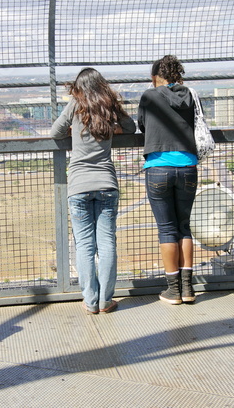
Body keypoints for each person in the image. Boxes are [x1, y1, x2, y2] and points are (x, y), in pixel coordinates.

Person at [50, 67, 136, 314]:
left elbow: (55, 133)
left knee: (85, 245)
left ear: (78, 87)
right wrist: (113, 127)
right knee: (107, 243)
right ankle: (106, 301)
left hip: (78, 185)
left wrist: (73, 131)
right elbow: (130, 128)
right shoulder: (108, 107)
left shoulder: (76, 105)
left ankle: (90, 301)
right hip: (107, 184)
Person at [138, 55, 198, 305]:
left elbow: (142, 125)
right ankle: (188, 289)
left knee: (166, 229)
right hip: (187, 166)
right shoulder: (190, 94)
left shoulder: (149, 96)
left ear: (155, 77)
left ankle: (173, 290)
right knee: (185, 227)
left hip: (158, 167)